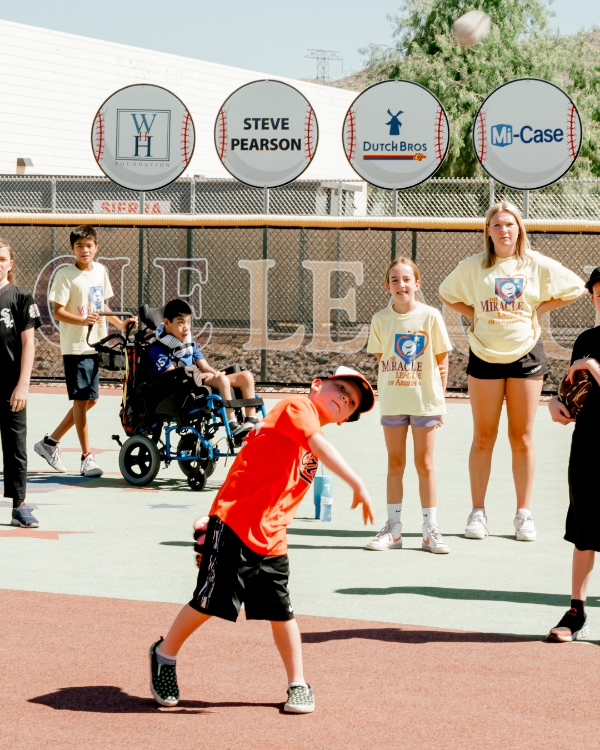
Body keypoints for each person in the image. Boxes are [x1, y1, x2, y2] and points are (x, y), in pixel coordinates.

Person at [148, 366, 375, 713]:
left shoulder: (312, 451)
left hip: (272, 538)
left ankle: (298, 682)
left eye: (351, 401)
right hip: (235, 523)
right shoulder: (297, 408)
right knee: (209, 602)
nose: (344, 398)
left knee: (281, 612)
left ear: (345, 418)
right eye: (340, 387)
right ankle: (164, 654)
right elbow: (314, 442)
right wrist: (357, 482)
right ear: (317, 385)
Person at [439, 202, 585, 542]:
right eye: (497, 225)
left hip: (525, 357)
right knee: (483, 437)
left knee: (521, 438)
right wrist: (472, 313)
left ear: (519, 229)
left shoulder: (534, 264)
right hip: (484, 357)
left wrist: (538, 307)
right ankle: (478, 513)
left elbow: (577, 287)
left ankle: (523, 514)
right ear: (488, 232)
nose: (504, 230)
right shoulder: (474, 267)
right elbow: (447, 293)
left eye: (510, 224)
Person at [365, 257, 453, 554]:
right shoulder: (380, 320)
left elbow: (442, 362)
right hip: (393, 403)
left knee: (425, 464)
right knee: (395, 463)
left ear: (417, 284)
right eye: (394, 280)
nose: (401, 285)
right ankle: (394, 528)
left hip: (425, 403)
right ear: (386, 285)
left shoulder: (431, 317)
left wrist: (439, 401)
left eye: (406, 279)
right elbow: (382, 359)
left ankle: (430, 530)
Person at [34, 226, 136, 477]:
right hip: (76, 346)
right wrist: (82, 321)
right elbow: (57, 312)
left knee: (91, 399)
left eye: (89, 245)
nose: (84, 250)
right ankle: (87, 457)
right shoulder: (65, 275)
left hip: (96, 344)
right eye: (79, 246)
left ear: (96, 247)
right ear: (72, 249)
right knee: (81, 400)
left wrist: (121, 324)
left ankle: (50, 443)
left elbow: (102, 305)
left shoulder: (100, 271)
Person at [547, 267, 600, 642]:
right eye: (597, 293)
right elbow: (572, 390)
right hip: (588, 446)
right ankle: (576, 612)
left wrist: (595, 369)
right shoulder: (587, 339)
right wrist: (555, 403)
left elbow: (591, 373)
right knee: (584, 533)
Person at [148, 298, 259, 435]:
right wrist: (204, 376)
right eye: (180, 322)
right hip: (181, 388)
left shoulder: (190, 343)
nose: (186, 327)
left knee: (246, 376)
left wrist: (216, 373)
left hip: (198, 379)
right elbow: (172, 377)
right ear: (166, 323)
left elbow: (205, 367)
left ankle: (251, 420)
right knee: (222, 381)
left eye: (188, 321)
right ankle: (233, 425)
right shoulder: (157, 349)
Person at [0, 239, 42, 528]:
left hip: (10, 386)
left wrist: (23, 384)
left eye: (1, 259)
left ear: (10, 263)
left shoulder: (20, 297)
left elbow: (29, 344)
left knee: (15, 447)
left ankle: (19, 506)